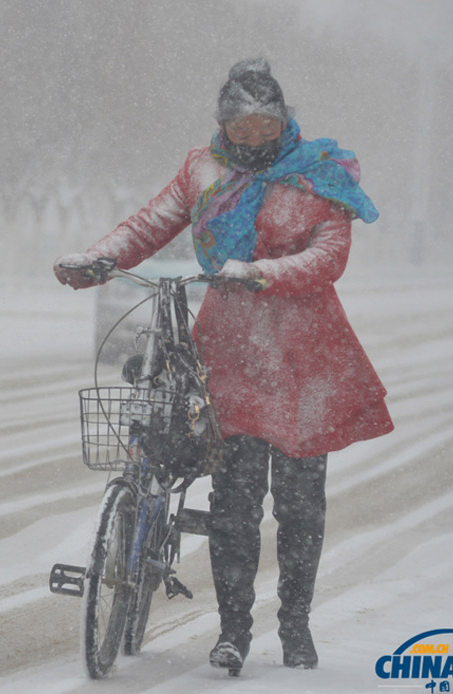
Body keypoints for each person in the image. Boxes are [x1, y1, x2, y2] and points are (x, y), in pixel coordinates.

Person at [53, 58, 393, 675]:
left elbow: (330, 254)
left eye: (266, 124)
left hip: (305, 357)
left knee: (298, 505)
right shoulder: (202, 169)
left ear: (285, 119)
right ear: (222, 126)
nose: (254, 138)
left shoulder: (319, 175)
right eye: (242, 127)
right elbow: (151, 225)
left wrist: (265, 272)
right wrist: (98, 258)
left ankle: (296, 628)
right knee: (233, 505)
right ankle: (233, 630)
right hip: (231, 356)